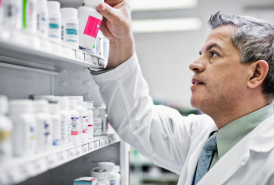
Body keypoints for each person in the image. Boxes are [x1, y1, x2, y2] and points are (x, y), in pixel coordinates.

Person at [88, 0, 274, 184]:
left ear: (256, 74)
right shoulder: (202, 135)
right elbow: (136, 119)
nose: (194, 65)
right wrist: (120, 41)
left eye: (214, 54)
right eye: (201, 54)